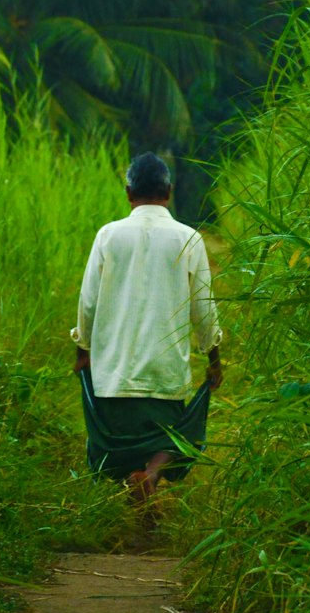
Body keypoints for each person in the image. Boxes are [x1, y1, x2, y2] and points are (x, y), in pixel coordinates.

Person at [71, 153, 223, 499]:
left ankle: (137, 483)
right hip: (164, 373)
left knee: (117, 436)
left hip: (114, 374)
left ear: (128, 193)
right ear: (168, 192)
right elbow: (203, 308)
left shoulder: (108, 236)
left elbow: (89, 300)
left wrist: (83, 350)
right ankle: (151, 475)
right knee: (178, 434)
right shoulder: (189, 239)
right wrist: (213, 358)